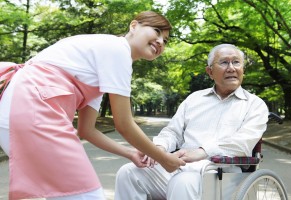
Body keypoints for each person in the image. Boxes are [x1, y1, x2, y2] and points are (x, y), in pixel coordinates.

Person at [0, 11, 186, 200]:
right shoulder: (118, 50)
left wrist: (130, 153)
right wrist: (164, 158)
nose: (161, 42)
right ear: (133, 26)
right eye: (156, 31)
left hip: (19, 107)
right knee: (85, 194)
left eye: (166, 40)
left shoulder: (103, 60)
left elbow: (87, 130)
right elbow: (124, 124)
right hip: (32, 106)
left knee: (70, 194)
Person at [114, 44, 269, 200]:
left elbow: (242, 143)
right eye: (224, 62)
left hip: (222, 173)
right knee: (129, 172)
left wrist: (202, 152)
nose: (231, 68)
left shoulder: (254, 105)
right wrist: (158, 149)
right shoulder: (194, 99)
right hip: (181, 167)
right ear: (209, 72)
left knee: (183, 181)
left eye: (236, 62)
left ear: (243, 69)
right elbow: (172, 131)